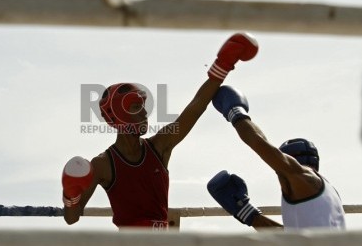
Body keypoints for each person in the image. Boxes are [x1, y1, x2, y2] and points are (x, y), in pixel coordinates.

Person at [61, 33, 259, 230]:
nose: (144, 113)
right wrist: (71, 194)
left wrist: (223, 65)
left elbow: (196, 107)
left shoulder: (159, 146)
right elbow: (72, 217)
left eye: (143, 106)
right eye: (135, 107)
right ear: (119, 115)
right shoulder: (103, 164)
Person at [207, 85, 346, 230]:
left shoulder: (299, 176)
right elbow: (294, 237)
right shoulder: (329, 193)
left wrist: (235, 113)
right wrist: (248, 214)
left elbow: (257, 141)